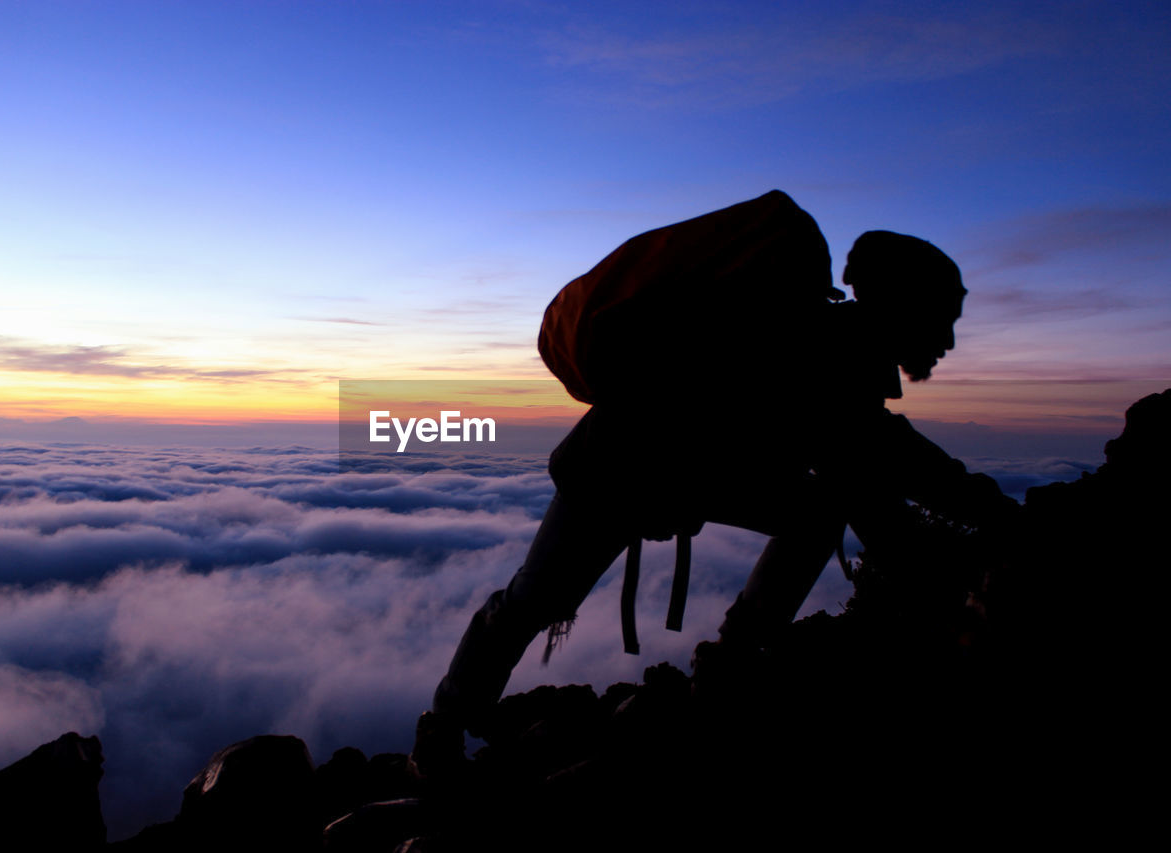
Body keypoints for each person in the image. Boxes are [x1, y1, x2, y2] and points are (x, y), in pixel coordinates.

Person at [409, 199, 1018, 778]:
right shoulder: (827, 356)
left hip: (647, 471)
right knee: (534, 602)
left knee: (530, 602)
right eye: (942, 320)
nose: (948, 341)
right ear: (904, 307)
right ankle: (446, 726)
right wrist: (974, 569)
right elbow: (886, 488)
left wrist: (984, 518)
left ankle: (450, 727)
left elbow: (888, 465)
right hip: (617, 474)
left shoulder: (830, 350)